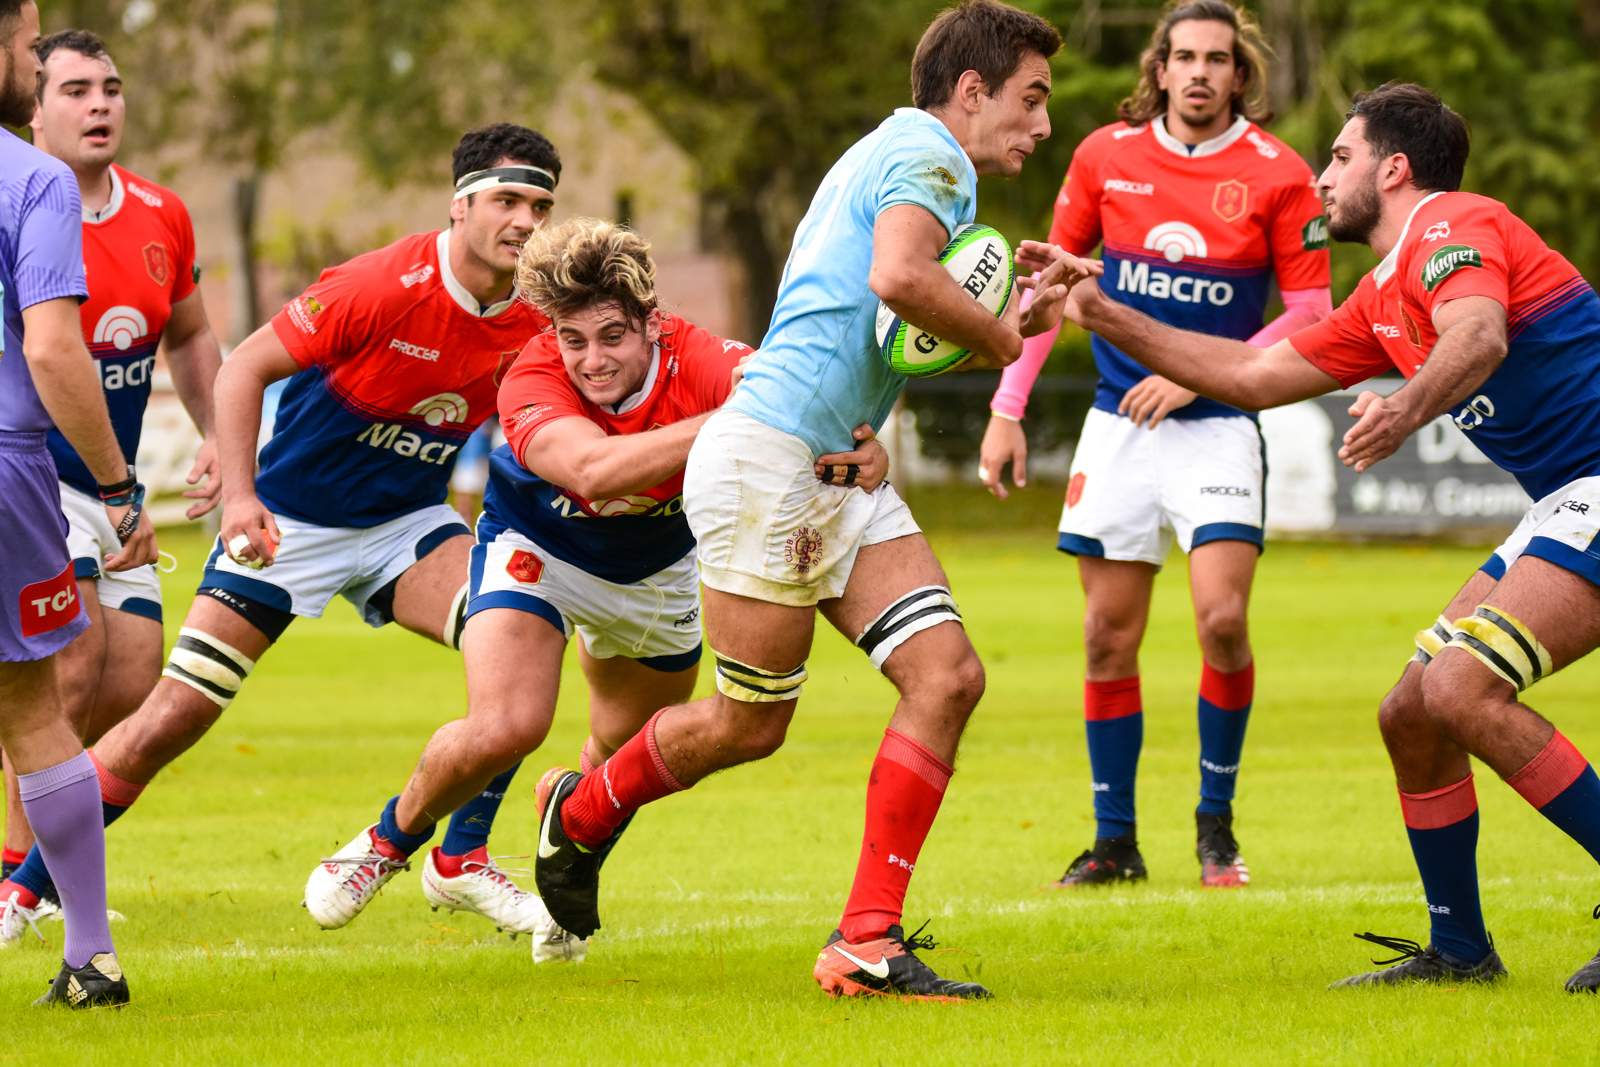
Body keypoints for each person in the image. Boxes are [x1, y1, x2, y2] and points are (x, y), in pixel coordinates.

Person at [532, 0, 1092, 1001]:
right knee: (749, 722)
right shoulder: (932, 156)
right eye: (1032, 97)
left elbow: (896, 329)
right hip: (770, 460)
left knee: (947, 677)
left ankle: (866, 939)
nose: (1042, 124)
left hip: (835, 463)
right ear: (971, 91)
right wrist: (1009, 335)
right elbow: (901, 278)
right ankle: (578, 814)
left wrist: (1016, 312)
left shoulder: (891, 151)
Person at [1049, 80, 1600, 991]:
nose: (1321, 177)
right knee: (1411, 711)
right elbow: (1251, 376)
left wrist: (1406, 409)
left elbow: (1479, 335)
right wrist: (1101, 308)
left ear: (1395, 168)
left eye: (1340, 158)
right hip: (1565, 500)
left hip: (1594, 487)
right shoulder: (1382, 294)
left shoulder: (1452, 223)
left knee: (1460, 687)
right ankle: (1460, 951)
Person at [0, 123, 558, 945]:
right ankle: (21, 892)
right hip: (290, 518)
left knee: (522, 643)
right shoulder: (380, 283)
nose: (525, 221)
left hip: (407, 523)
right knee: (168, 719)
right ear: (460, 203)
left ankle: (456, 855)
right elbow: (243, 367)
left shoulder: (540, 313)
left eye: (541, 206)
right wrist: (240, 497)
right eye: (508, 200)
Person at [303, 217, 889, 960]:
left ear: (652, 321)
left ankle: (564, 866)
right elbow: (592, 472)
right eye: (573, 340)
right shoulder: (533, 373)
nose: (593, 360)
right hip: (536, 547)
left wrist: (862, 447)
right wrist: (740, 422)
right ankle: (386, 842)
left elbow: (811, 415)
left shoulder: (706, 360)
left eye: (612, 336)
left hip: (656, 571)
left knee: (619, 760)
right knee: (507, 723)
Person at [977, 0, 1331, 890]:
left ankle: (1216, 825)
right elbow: (1046, 288)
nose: (1201, 72)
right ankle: (1114, 843)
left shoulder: (1281, 173)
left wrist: (1201, 375)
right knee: (1105, 636)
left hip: (1219, 427)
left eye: (1218, 58)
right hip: (1118, 425)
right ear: (1161, 69)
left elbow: (1311, 313)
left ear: (1239, 74)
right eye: (1185, 57)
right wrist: (1007, 407)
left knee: (1222, 621)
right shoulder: (1106, 157)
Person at [0, 28, 224, 905]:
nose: (100, 105)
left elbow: (191, 333)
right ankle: (18, 884)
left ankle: (42, 868)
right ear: (33, 105)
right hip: (39, 476)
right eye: (75, 89)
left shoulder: (162, 212)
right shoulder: (28, 198)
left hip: (113, 480)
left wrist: (218, 434)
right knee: (71, 664)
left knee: (130, 678)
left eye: (112, 88)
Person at [0, 0, 157, 1008]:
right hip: (7, 466)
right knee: (31, 711)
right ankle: (90, 957)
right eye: (27, 46)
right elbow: (55, 348)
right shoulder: (35, 178)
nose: (32, 63)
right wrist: (117, 486)